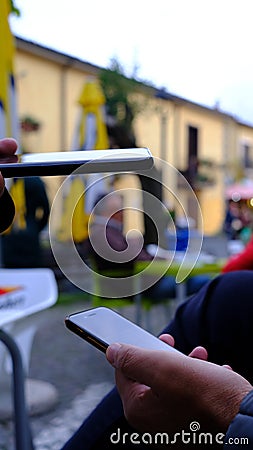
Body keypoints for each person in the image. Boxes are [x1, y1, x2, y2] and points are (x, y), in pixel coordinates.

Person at [62, 270, 253, 449]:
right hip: (135, 284)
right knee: (229, 293)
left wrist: (232, 409)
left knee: (224, 293)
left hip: (143, 285)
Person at [86, 191, 210, 300]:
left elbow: (128, 255)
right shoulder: (102, 233)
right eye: (120, 210)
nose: (123, 214)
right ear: (111, 212)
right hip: (137, 287)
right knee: (205, 281)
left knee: (199, 280)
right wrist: (139, 244)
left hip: (140, 283)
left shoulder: (105, 231)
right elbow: (130, 257)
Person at [1, 174, 50, 268]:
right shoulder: (35, 181)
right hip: (30, 234)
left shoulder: (5, 179)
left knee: (10, 276)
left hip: (9, 236)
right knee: (31, 274)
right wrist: (36, 227)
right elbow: (45, 209)